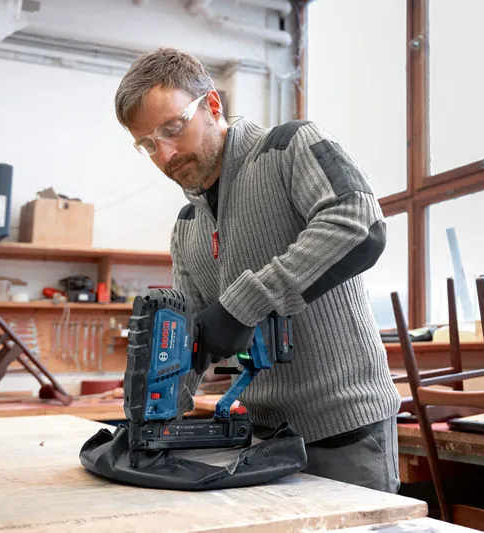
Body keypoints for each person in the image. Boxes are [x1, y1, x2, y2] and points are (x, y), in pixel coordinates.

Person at [113, 47, 402, 494]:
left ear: (212, 106)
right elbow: (188, 343)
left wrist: (241, 305)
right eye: (148, 145)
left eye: (173, 128)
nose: (166, 154)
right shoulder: (187, 228)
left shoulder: (290, 146)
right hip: (263, 439)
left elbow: (359, 224)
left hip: (345, 428)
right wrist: (154, 418)